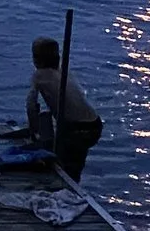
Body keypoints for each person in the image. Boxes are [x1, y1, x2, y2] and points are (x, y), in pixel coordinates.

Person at [26, 37, 103, 179]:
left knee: (64, 167)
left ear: (36, 59)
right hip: (95, 124)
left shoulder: (39, 76)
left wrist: (33, 132)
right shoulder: (64, 72)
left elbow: (31, 105)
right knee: (75, 164)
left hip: (76, 128)